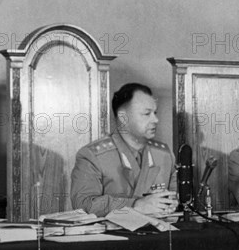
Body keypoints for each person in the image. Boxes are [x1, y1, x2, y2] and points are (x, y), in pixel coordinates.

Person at [71, 83, 178, 217]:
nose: (155, 120)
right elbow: (84, 204)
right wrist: (136, 205)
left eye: (155, 113)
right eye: (146, 114)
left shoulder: (164, 155)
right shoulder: (93, 156)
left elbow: (177, 197)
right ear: (123, 118)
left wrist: (172, 204)